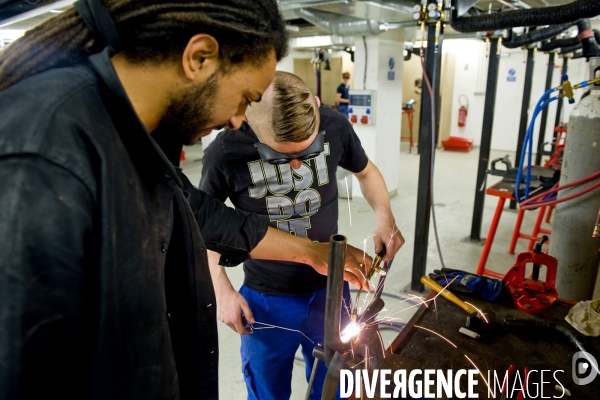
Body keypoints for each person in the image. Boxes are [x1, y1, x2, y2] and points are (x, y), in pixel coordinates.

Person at [0, 2, 371, 399]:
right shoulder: (43, 156)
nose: (238, 120)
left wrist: (311, 251)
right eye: (246, 97)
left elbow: (199, 213)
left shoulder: (136, 130)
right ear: (199, 57)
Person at [200, 71, 405, 400]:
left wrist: (384, 214)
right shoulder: (226, 151)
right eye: (281, 155)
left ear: (317, 105)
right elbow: (204, 224)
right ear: (252, 126)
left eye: (305, 152)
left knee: (335, 385)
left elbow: (365, 171)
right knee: (267, 391)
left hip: (331, 292)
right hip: (266, 300)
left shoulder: (334, 125)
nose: (296, 166)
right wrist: (221, 288)